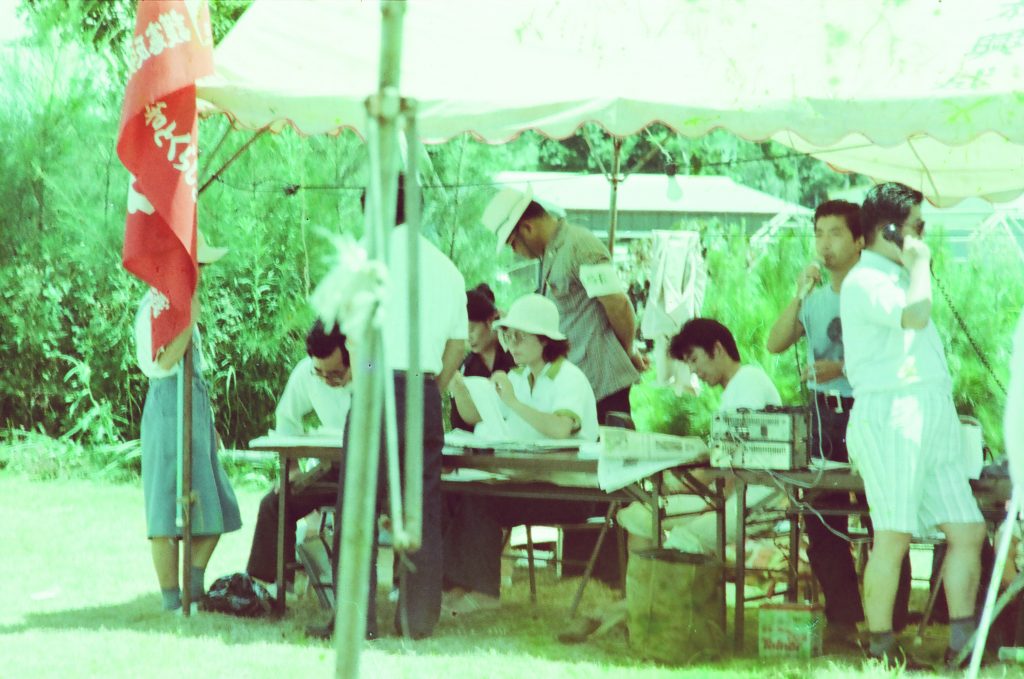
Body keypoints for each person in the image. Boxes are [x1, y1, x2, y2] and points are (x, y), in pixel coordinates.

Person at [314, 177, 467, 641]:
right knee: (422, 506)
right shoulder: (446, 268)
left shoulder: (364, 261)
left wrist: (371, 374)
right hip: (423, 389)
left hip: (377, 385)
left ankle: (356, 620)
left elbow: (354, 340)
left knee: (358, 507)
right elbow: (457, 346)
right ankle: (416, 620)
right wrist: (431, 386)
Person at [840, 182, 985, 668]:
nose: (922, 235)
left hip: (930, 413)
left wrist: (914, 266)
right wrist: (920, 263)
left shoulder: (899, 276)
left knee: (968, 530)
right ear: (889, 230)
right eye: (917, 227)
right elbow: (916, 317)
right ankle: (881, 649)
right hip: (892, 413)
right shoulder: (865, 279)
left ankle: (962, 644)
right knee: (893, 534)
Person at [766, 200, 911, 646]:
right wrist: (799, 293)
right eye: (818, 234)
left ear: (859, 240)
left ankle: (888, 620)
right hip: (823, 414)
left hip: (867, 409)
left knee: (883, 515)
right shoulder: (816, 296)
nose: (824, 244)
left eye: (834, 234)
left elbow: (899, 349)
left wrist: (842, 368)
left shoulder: (874, 289)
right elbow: (774, 342)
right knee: (821, 516)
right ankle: (843, 618)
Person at [442, 293, 601, 614]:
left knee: (482, 500)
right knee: (453, 492)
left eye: (520, 337)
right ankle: (454, 585)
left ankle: (485, 592)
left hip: (571, 490)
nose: (511, 345)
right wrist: (458, 386)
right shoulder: (518, 377)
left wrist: (513, 402)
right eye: (508, 336)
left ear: (545, 340)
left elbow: (561, 428)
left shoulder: (569, 378)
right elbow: (475, 416)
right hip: (530, 480)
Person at [135, 231, 241, 613]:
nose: (201, 273)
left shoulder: (182, 303)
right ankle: (172, 600)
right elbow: (162, 362)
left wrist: (208, 424)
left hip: (194, 410)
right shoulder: (154, 305)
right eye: (197, 265)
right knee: (166, 509)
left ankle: (192, 588)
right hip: (168, 408)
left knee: (215, 506)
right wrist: (188, 321)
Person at [483, 186, 648, 425]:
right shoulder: (550, 255)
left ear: (527, 228)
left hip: (602, 385)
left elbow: (618, 304)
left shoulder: (580, 246)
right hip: (576, 383)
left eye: (513, 243)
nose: (515, 252)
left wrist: (628, 350)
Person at [245, 320, 352, 588]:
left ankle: (389, 583)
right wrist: (292, 469)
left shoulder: (370, 367)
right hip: (333, 469)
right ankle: (272, 587)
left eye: (335, 374)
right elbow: (286, 419)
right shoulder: (306, 372)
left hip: (374, 471)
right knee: (275, 502)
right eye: (320, 372)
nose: (326, 379)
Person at [449, 283, 514, 431]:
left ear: (490, 321)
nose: (468, 337)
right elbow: (460, 423)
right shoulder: (465, 368)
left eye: (471, 329)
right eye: (463, 331)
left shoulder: (514, 357)